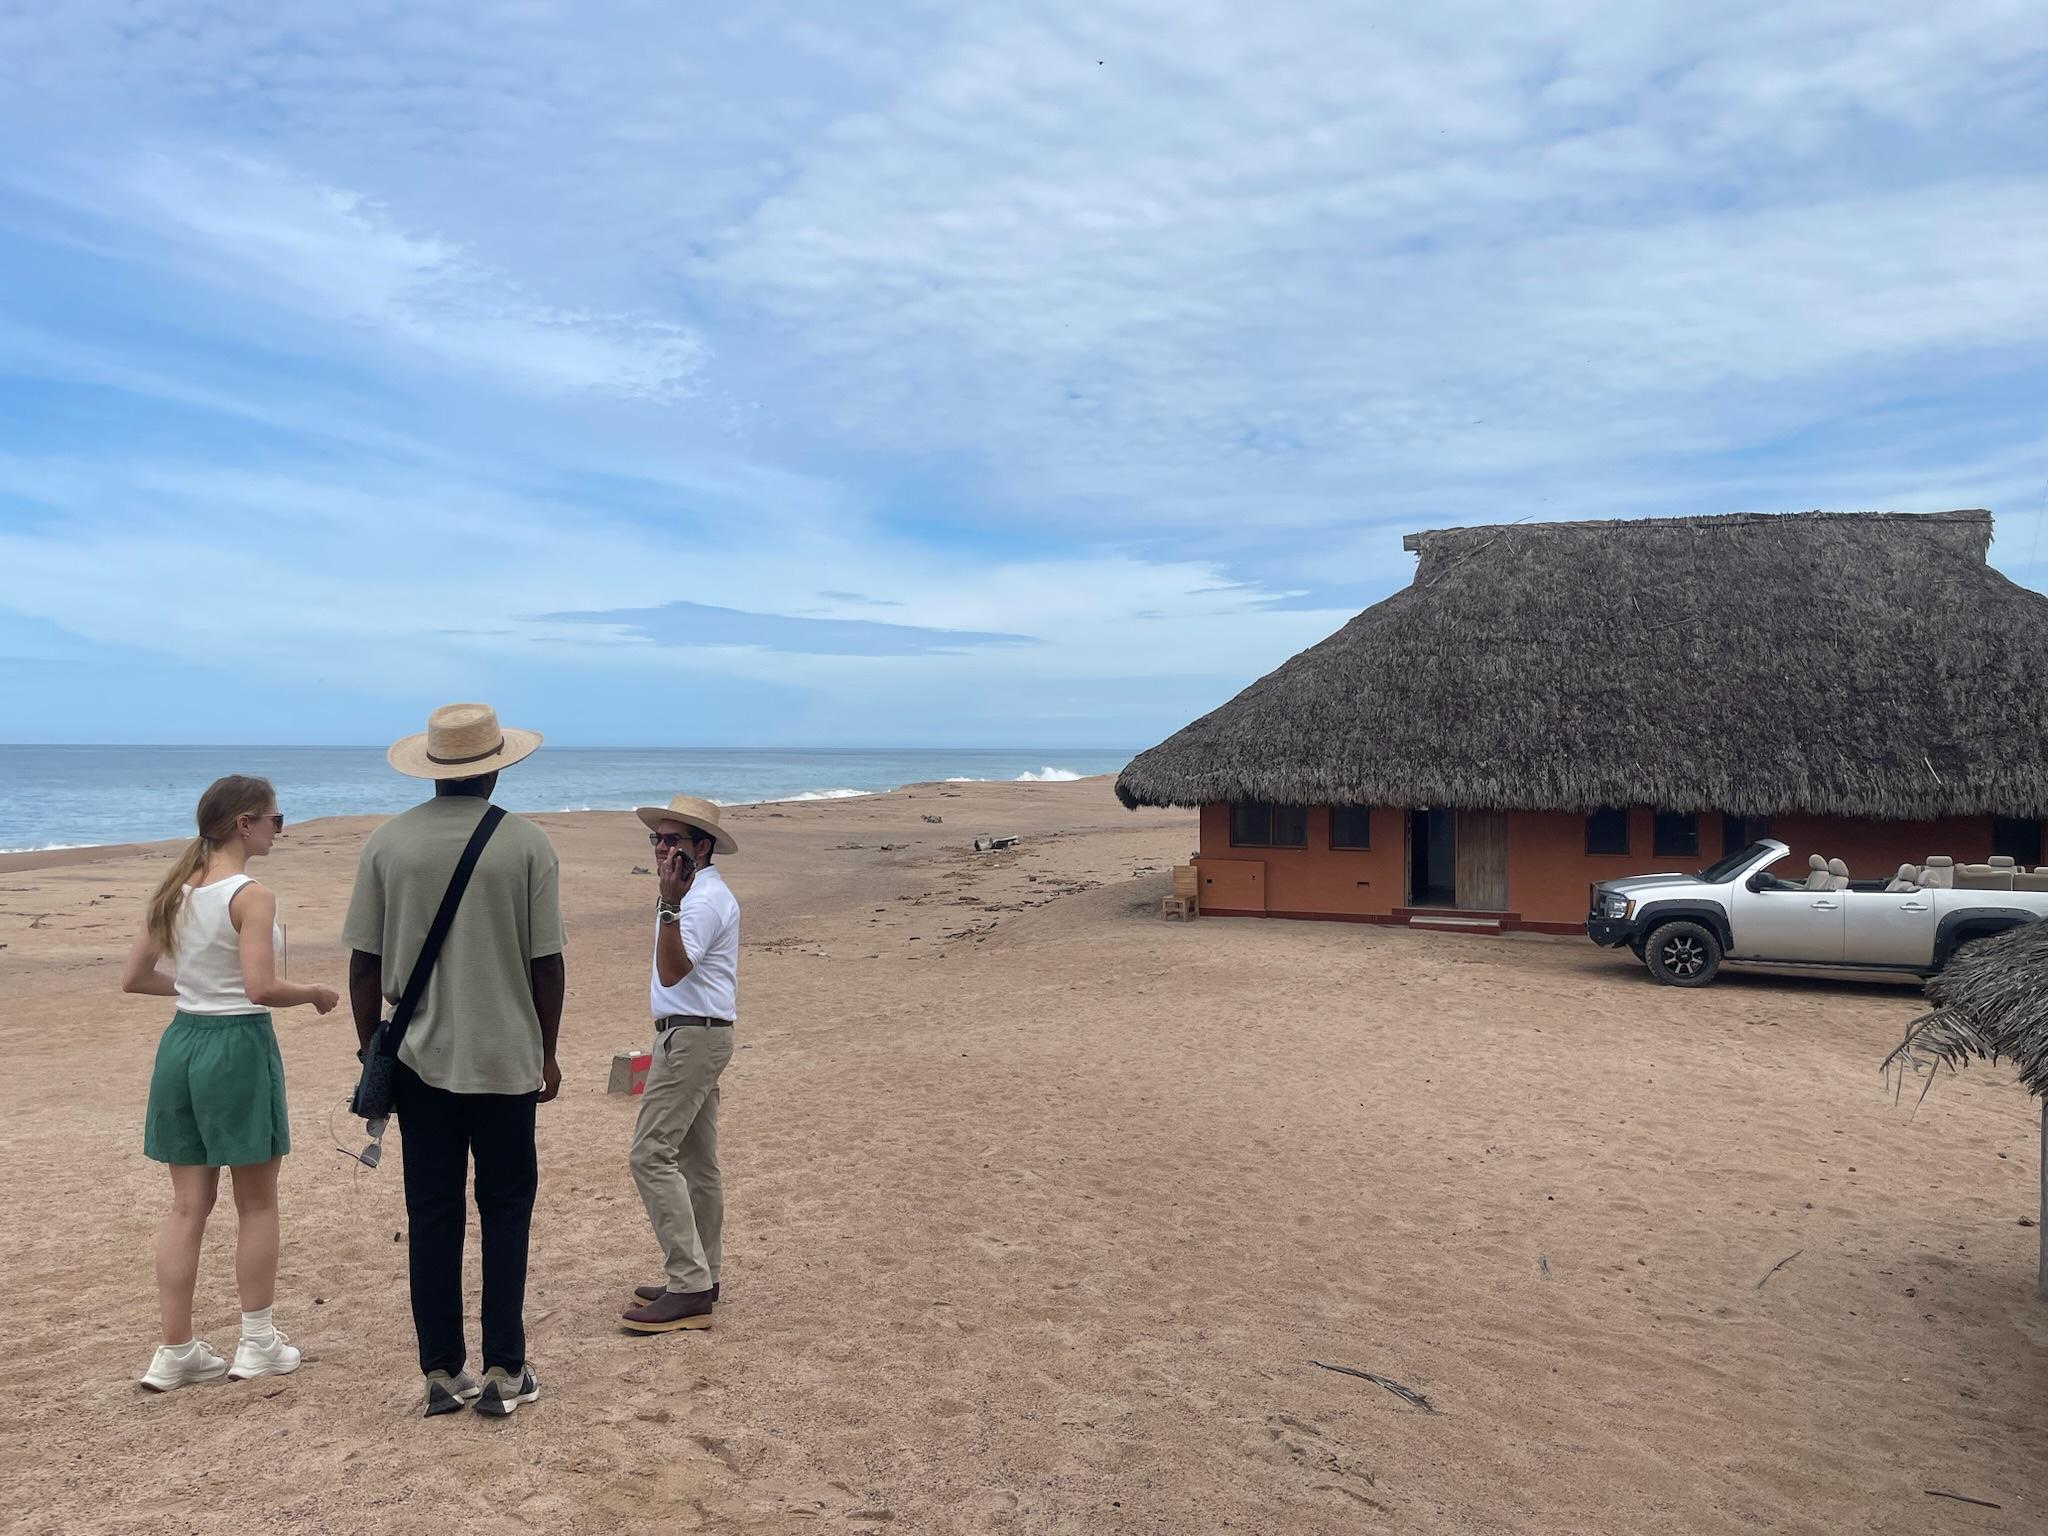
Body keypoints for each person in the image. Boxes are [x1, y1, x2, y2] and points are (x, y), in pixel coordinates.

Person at [341, 703, 566, 1418]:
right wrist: (548, 1053)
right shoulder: (527, 845)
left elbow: (363, 967)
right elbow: (547, 965)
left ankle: (440, 1371)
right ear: (497, 766)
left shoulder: (387, 844)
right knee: (506, 1211)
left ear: (433, 769)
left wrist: (369, 1045)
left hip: (417, 1060)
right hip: (504, 1057)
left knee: (432, 1214)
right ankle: (504, 1367)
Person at [122, 775, 340, 1392]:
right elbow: (260, 989)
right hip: (236, 1045)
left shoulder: (173, 891)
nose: (280, 829)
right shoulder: (251, 894)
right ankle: (258, 1339)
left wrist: (193, 989)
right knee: (257, 1200)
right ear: (244, 824)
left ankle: (175, 1348)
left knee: (188, 1204)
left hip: (182, 1043)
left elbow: (135, 977)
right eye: (275, 819)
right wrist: (316, 994)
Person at [621, 794, 741, 1333]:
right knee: (697, 1162)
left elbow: (673, 972)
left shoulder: (700, 901)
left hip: (692, 1038)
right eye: (658, 839)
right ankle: (703, 1276)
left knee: (650, 1154)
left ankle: (690, 1284)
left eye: (675, 840)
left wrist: (668, 904)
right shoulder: (700, 894)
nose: (663, 848)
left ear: (702, 847)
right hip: (700, 1035)